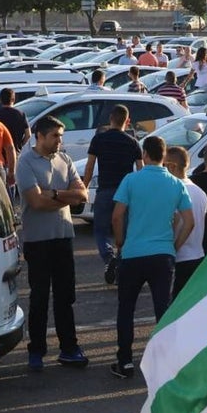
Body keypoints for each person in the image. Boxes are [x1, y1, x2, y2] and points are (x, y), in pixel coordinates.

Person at [111, 136, 194, 378]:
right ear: (164, 156)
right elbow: (189, 221)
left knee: (126, 308)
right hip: (163, 254)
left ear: (145, 154)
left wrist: (120, 241)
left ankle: (125, 361)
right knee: (163, 309)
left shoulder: (131, 180)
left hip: (134, 253)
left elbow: (117, 216)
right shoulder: (176, 183)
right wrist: (174, 245)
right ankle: (167, 363)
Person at [16, 115, 89, 371]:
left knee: (65, 296)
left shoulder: (65, 159)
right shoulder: (25, 162)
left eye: (61, 135)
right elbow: (36, 203)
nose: (60, 140)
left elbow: (82, 195)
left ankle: (69, 347)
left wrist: (56, 194)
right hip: (38, 241)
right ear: (41, 136)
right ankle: (36, 350)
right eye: (55, 136)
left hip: (63, 237)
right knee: (39, 298)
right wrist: (66, 198)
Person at [83, 105, 143, 282]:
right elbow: (140, 170)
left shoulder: (99, 139)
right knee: (123, 231)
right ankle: (121, 260)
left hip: (104, 190)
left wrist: (84, 187)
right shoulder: (133, 143)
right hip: (125, 193)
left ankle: (108, 258)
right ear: (128, 121)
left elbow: (90, 165)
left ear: (110, 119)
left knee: (100, 230)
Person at [164, 146, 207, 298]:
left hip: (180, 257)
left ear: (171, 166)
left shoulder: (173, 191)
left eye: (163, 165)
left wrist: (173, 248)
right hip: (198, 255)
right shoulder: (200, 192)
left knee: (174, 305)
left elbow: (174, 222)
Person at [0, 87, 30, 152]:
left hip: (0, 153)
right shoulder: (21, 114)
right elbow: (28, 135)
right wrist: (20, 146)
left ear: (0, 100)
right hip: (16, 152)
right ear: (13, 99)